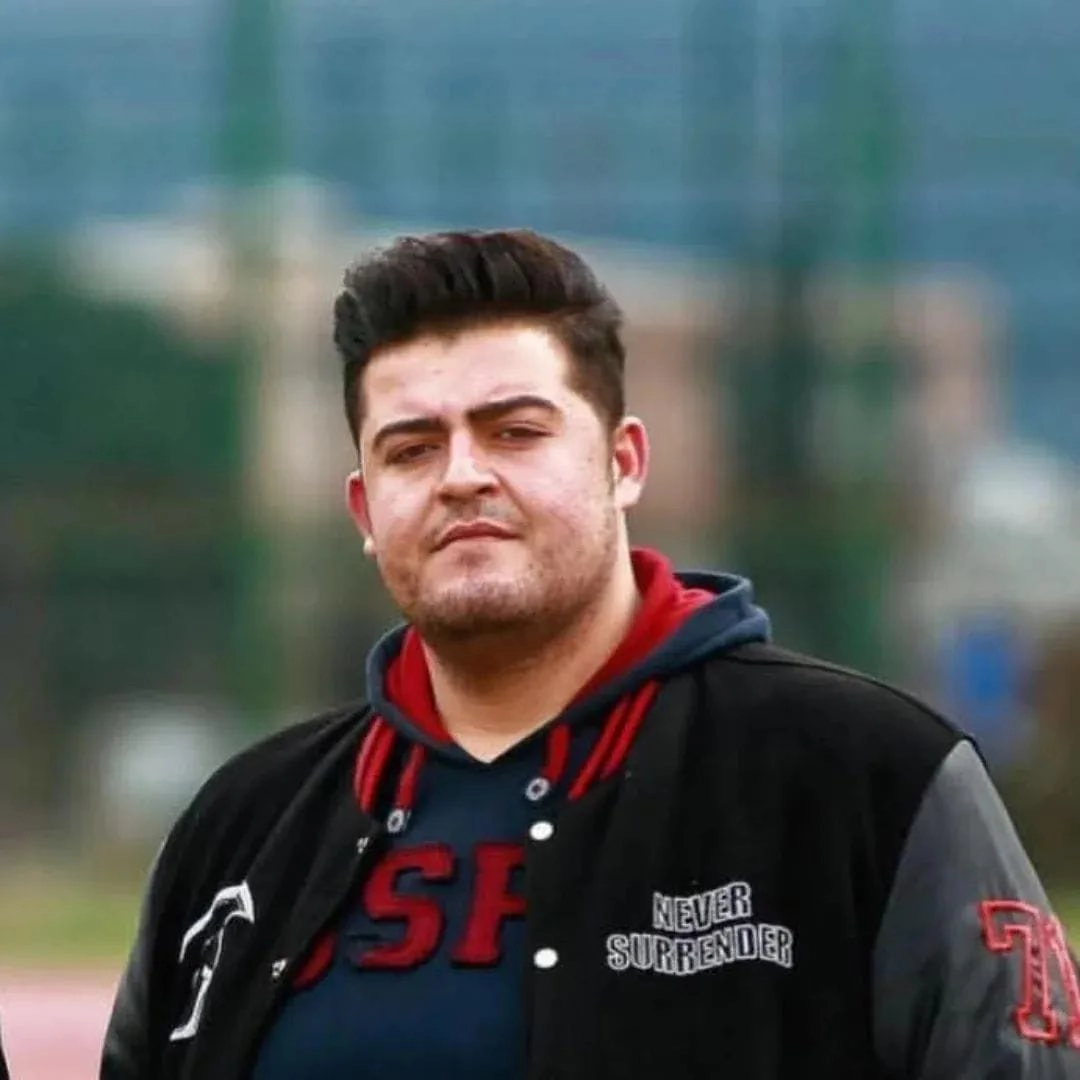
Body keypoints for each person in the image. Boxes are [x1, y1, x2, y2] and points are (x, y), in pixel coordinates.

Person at [101, 229, 1080, 1079]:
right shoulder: (243, 826)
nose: (462, 476)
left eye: (515, 431)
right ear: (364, 509)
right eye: (411, 449)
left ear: (623, 463)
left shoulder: (870, 776)